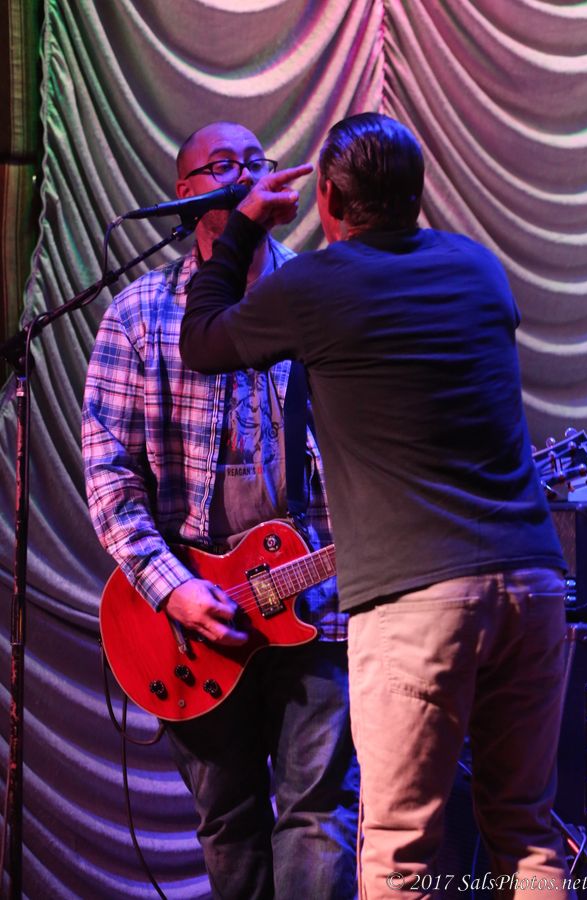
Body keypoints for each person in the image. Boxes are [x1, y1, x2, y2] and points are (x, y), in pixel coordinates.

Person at [179, 113, 572, 899]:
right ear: (417, 191)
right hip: (532, 586)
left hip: (417, 602)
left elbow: (201, 339)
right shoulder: (479, 267)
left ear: (327, 197)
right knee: (528, 837)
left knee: (400, 852)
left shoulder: (314, 285)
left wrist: (243, 227)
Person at [82, 121, 359, 900]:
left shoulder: (321, 297)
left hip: (316, 602)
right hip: (196, 620)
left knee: (318, 815)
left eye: (255, 161)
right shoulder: (138, 316)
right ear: (185, 194)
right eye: (223, 165)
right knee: (229, 825)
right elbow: (109, 477)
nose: (244, 173)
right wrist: (174, 590)